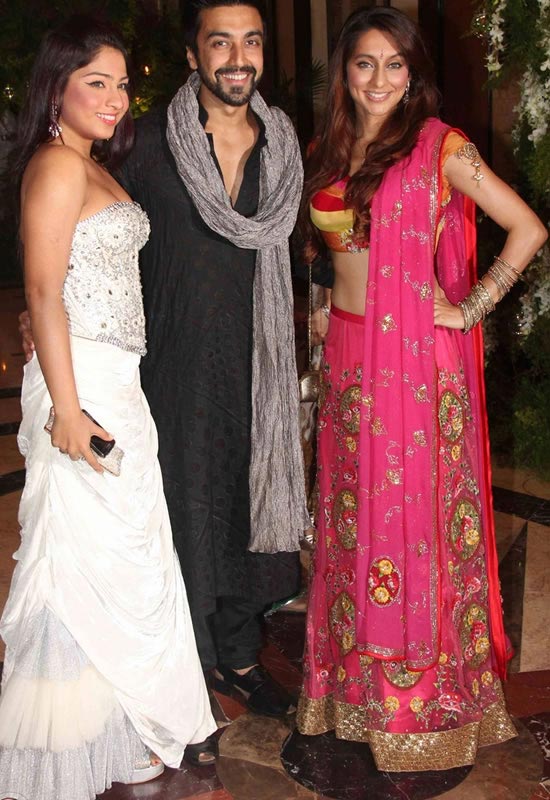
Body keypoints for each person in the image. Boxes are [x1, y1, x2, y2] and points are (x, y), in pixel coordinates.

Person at [296, 6, 547, 772]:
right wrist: (318, 314)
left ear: (413, 74)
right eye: (364, 63)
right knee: (351, 521)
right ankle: (352, 693)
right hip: (348, 361)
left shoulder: (442, 148)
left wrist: (469, 307)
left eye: (394, 64)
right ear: (345, 71)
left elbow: (529, 228)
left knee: (412, 527)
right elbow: (327, 251)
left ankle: (420, 708)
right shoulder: (329, 147)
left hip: (411, 364)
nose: (378, 79)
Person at [0, 17, 216, 800]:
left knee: (120, 563)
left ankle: (117, 732)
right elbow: (41, 290)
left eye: (122, 84)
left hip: (114, 382)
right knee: (77, 565)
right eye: (97, 82)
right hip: (82, 386)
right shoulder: (59, 165)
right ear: (56, 86)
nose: (115, 98)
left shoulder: (90, 164)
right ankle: (68, 747)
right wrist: (66, 408)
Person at [117, 0, 306, 714]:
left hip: (258, 363)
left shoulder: (283, 144)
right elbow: (95, 228)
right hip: (172, 360)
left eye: (250, 42)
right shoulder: (145, 143)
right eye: (220, 42)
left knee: (245, 504)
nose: (238, 58)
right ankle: (185, 665)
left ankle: (238, 653)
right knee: (182, 505)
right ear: (193, 55)